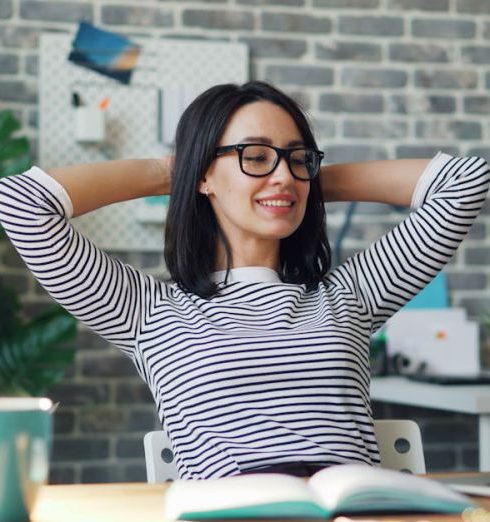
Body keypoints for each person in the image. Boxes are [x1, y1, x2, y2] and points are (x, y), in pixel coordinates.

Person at [0, 81, 489, 480]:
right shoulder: (147, 312)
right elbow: (23, 205)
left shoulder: (350, 297)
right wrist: (184, 170)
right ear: (203, 175)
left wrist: (303, 182)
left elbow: (463, 183)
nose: (282, 176)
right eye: (254, 155)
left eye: (299, 158)